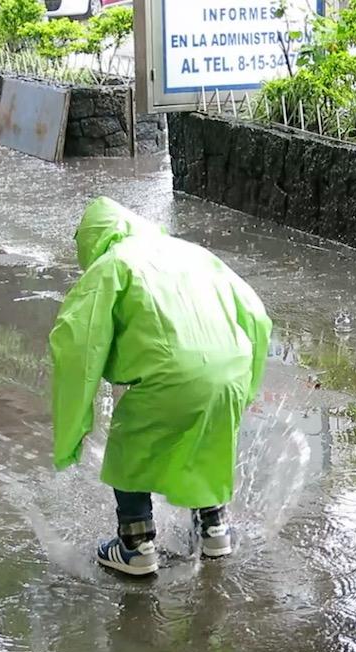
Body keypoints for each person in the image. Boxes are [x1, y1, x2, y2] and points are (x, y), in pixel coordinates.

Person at [50, 197, 272, 576]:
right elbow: (256, 316)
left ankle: (135, 547)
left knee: (131, 445)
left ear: (92, 240)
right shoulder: (193, 254)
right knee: (207, 443)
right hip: (230, 369)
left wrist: (71, 428)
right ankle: (215, 529)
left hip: (172, 373)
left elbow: (77, 346)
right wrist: (244, 384)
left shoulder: (113, 265)